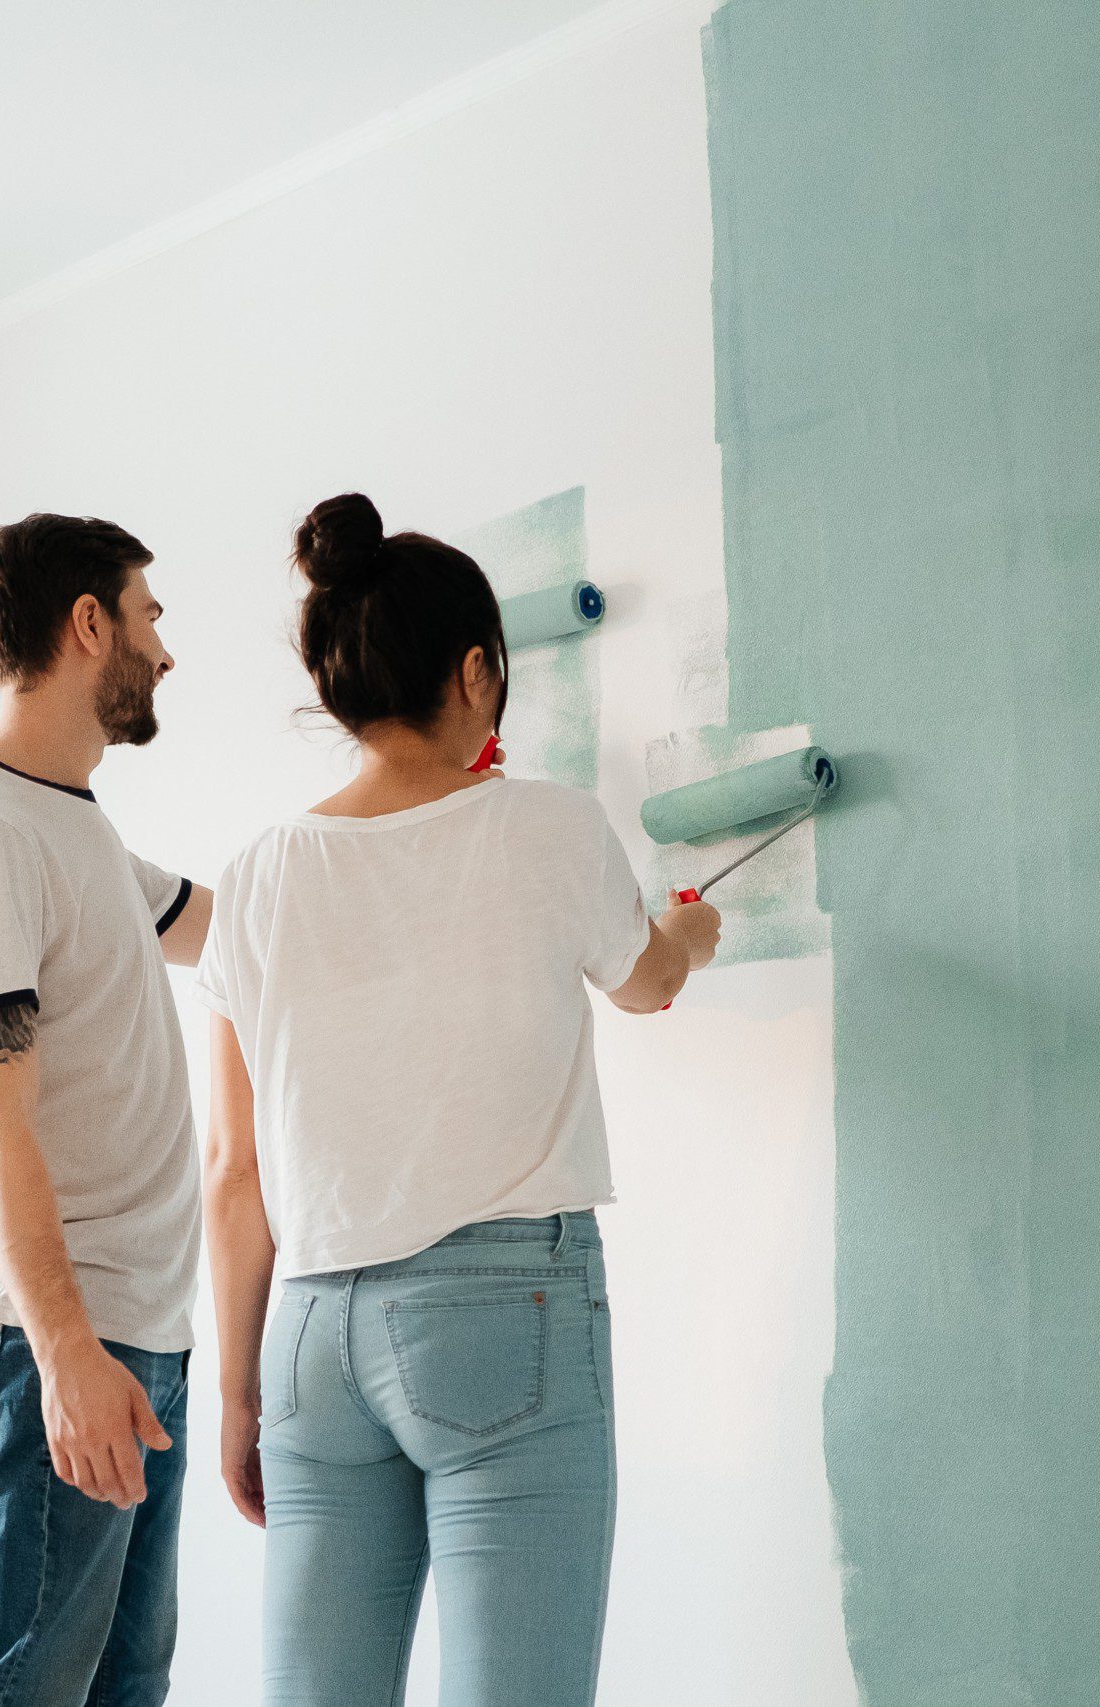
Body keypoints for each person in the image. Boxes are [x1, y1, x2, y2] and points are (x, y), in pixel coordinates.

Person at [196, 493, 721, 1707]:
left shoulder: (258, 875)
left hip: (308, 1339)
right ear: (477, 671)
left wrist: (238, 1393)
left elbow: (233, 1173)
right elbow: (643, 985)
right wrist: (687, 932)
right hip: (503, 1317)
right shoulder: (547, 827)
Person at [0, 513, 212, 1707]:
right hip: (46, 1339)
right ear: (90, 625)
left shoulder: (69, 824)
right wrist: (68, 1355)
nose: (163, 652)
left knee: (119, 1692)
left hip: (132, 1328)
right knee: (14, 1694)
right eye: (150, 616)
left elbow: (224, 932)